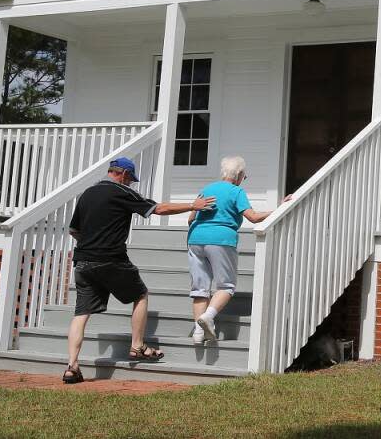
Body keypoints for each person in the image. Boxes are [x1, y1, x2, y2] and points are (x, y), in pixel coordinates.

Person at [63, 157, 215, 384]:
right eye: (130, 180)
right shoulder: (120, 191)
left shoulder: (87, 193)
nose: (131, 184)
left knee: (81, 313)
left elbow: (74, 230)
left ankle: (72, 367)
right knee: (140, 295)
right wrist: (193, 206)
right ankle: (137, 346)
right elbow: (158, 209)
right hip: (111, 259)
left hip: (83, 261)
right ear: (123, 174)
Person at [186, 156, 273, 344]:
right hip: (221, 240)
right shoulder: (236, 191)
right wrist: (279, 208)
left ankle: (198, 334)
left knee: (200, 289)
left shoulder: (207, 189)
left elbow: (190, 218)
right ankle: (208, 317)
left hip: (195, 239)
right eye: (244, 176)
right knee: (226, 286)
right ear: (239, 174)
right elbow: (254, 217)